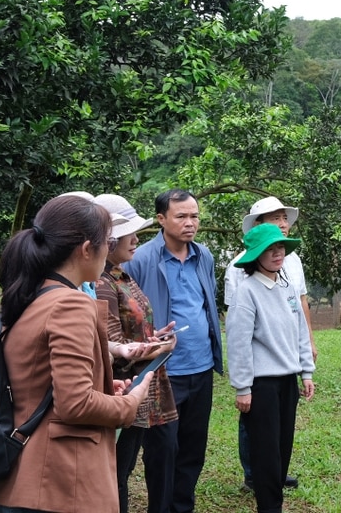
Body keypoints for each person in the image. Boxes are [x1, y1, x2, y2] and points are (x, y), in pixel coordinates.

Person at [0, 194, 154, 513]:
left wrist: (102, 387)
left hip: (21, 476)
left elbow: (37, 381)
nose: (110, 249)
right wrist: (128, 404)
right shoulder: (70, 304)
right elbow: (74, 404)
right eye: (109, 241)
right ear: (87, 249)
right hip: (57, 485)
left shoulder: (30, 296)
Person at [123, 189, 223, 513]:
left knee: (193, 448)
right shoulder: (140, 260)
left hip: (200, 368)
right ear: (161, 219)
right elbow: (127, 312)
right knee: (163, 450)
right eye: (181, 216)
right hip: (162, 372)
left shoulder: (203, 256)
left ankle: (183, 507)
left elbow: (208, 304)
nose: (190, 223)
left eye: (194, 216)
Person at [94, 193, 180, 513]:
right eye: (128, 233)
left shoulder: (120, 274)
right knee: (116, 474)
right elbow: (110, 345)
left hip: (135, 385)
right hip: (123, 388)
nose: (135, 239)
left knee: (123, 470)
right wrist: (157, 347)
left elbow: (124, 335)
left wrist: (152, 337)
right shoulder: (103, 282)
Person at [224, 196, 316, 491]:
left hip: (287, 363)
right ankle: (255, 474)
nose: (282, 223)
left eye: (284, 217)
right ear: (257, 226)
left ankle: (273, 472)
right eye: (274, 218)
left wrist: (307, 355)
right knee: (256, 425)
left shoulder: (292, 263)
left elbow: (300, 305)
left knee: (280, 431)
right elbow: (238, 329)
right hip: (260, 370)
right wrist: (243, 383)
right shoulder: (239, 269)